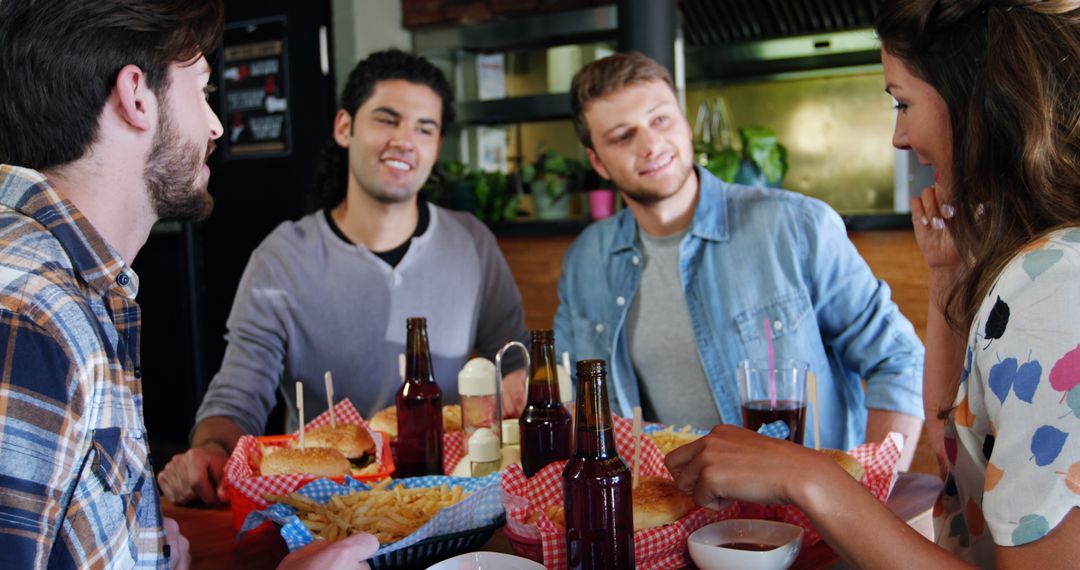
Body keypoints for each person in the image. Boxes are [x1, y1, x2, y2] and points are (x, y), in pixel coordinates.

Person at [668, 0, 1080, 567]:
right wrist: (946, 277)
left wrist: (805, 475)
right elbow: (954, 453)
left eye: (902, 102)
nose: (899, 137)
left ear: (977, 102)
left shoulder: (1056, 285)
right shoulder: (1039, 266)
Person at [157, 49, 528, 505]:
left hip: (451, 500)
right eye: (387, 120)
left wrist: (518, 383)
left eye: (424, 128)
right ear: (344, 128)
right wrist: (211, 451)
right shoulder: (283, 258)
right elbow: (238, 396)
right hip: (326, 507)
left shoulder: (472, 243)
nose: (405, 140)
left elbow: (514, 360)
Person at [555, 52, 925, 460]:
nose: (651, 144)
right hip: (661, 513)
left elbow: (897, 359)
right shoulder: (585, 260)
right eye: (623, 135)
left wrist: (871, 492)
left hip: (799, 510)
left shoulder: (796, 226)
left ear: (682, 120)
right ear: (597, 162)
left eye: (661, 120)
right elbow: (568, 393)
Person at [0, 1, 223, 566]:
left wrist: (143, 549)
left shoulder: (79, 285)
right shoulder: (32, 315)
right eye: (201, 90)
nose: (215, 125)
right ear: (136, 97)